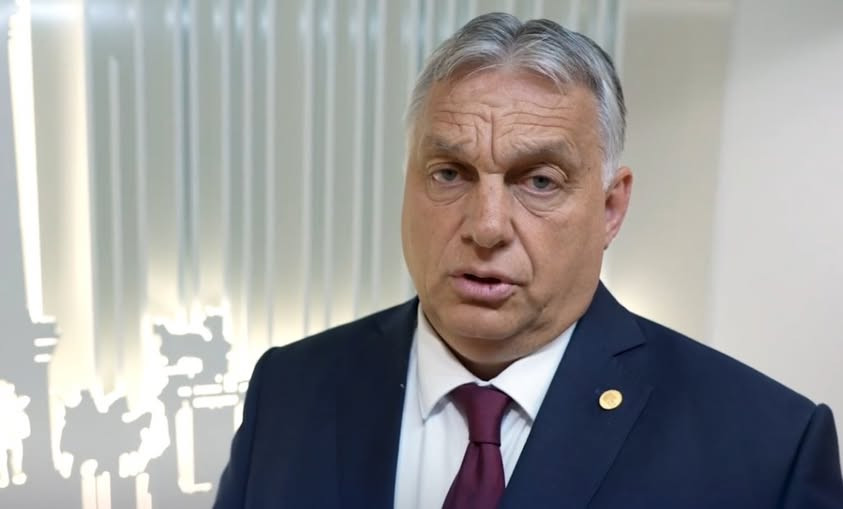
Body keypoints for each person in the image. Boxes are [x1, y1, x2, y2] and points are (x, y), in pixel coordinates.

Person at [213, 12, 843, 509]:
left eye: (539, 181)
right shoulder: (289, 392)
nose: (486, 227)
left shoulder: (768, 451)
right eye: (450, 173)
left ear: (611, 208)